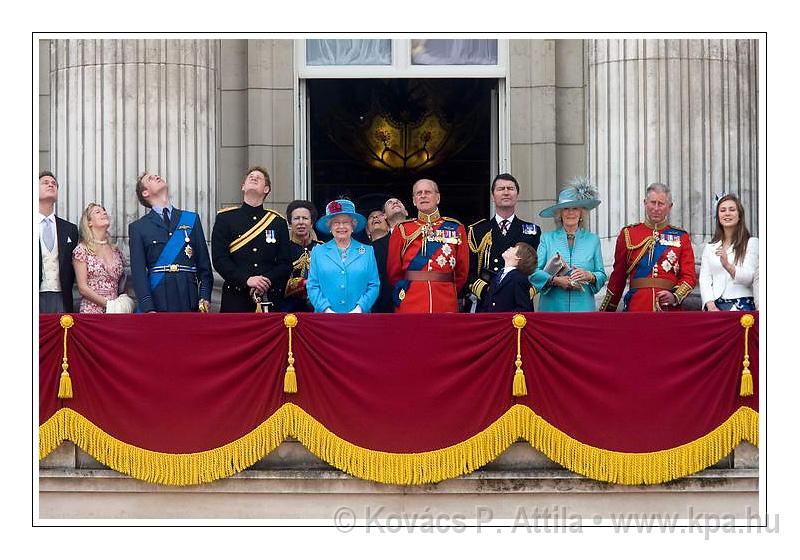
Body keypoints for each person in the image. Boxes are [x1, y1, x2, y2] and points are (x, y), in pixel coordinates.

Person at [600, 182, 696, 312]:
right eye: (652, 202)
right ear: (645, 203)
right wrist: (606, 312)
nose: (656, 208)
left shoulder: (681, 237)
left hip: (668, 309)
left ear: (669, 207)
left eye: (661, 204)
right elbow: (618, 277)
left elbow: (689, 276)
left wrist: (675, 296)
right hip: (637, 307)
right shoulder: (628, 234)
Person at [128, 172, 213, 312]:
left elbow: (204, 266)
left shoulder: (191, 219)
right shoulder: (138, 227)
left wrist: (204, 297)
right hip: (158, 302)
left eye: (156, 175)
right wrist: (148, 307)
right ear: (145, 193)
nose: (156, 176)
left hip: (189, 300)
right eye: (150, 178)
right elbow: (139, 274)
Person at [211, 166, 291, 312]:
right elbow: (219, 259)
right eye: (250, 177)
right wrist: (246, 279)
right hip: (235, 297)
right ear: (243, 186)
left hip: (268, 296)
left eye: (258, 178)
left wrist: (265, 281)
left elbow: (285, 263)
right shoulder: (225, 218)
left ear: (266, 189)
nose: (254, 178)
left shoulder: (277, 222)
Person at [387, 179, 469, 313]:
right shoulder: (402, 229)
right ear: (414, 200)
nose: (423, 195)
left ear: (438, 198)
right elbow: (394, 272)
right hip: (410, 302)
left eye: (428, 192)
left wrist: (446, 288)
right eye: (419, 193)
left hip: (444, 301)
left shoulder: (456, 228)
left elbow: (462, 272)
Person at [466, 173, 541, 312]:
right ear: (493, 196)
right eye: (501, 189)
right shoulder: (478, 231)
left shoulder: (532, 231)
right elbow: (468, 270)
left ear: (517, 194)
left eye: (510, 188)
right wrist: (487, 290)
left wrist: (525, 291)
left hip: (518, 302)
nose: (506, 192)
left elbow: (538, 270)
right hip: (487, 302)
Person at [529, 180, 607, 312]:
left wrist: (589, 275)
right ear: (560, 213)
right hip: (553, 308)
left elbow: (601, 275)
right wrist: (555, 280)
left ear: (582, 213)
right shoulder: (546, 239)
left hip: (583, 309)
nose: (571, 212)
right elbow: (533, 273)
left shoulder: (593, 240)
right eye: (566, 208)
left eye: (575, 208)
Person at [307, 199, 379, 313]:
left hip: (359, 318)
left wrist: (360, 308)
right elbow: (312, 286)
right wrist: (326, 309)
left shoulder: (367, 252)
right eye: (336, 222)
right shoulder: (318, 252)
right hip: (326, 318)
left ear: (353, 225)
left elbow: (373, 285)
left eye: (346, 222)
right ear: (330, 227)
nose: (341, 226)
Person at [699, 194, 758, 311]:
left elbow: (750, 277)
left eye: (732, 210)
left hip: (742, 304)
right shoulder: (710, 247)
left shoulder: (751, 243)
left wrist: (727, 265)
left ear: (739, 215)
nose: (727, 213)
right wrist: (710, 305)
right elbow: (704, 279)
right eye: (722, 210)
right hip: (715, 306)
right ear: (718, 216)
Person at [72, 203, 130, 313]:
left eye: (104, 211)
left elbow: (123, 281)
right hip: (92, 312)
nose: (104, 213)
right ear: (89, 223)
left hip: (115, 313)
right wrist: (109, 305)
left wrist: (123, 303)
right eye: (97, 212)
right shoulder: (82, 250)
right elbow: (83, 288)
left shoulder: (116, 250)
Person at [39, 171, 78, 313]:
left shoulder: (70, 229)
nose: (51, 184)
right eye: (45, 182)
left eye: (54, 183)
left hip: (62, 298)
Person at [280, 199, 323, 312]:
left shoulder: (322, 248)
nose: (301, 222)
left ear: (311, 222)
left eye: (305, 218)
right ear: (290, 223)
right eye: (296, 218)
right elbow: (277, 280)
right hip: (287, 309)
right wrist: (303, 283)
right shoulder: (282, 248)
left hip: (317, 308)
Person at [371, 197, 410, 313]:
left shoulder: (423, 239)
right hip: (387, 309)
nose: (395, 203)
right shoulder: (374, 247)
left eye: (398, 201)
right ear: (384, 216)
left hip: (419, 304)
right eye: (390, 203)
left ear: (406, 212)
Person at [478, 242, 537, 313]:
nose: (510, 247)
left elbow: (523, 307)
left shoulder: (519, 278)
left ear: (518, 257)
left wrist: (505, 318)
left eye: (514, 248)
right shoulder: (499, 275)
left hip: (506, 322)